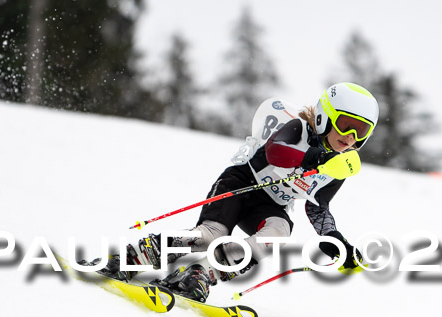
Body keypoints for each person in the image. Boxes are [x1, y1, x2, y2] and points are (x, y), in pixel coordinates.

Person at [99, 82, 379, 302]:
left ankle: (201, 274)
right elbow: (276, 152)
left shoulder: (340, 166)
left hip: (270, 204)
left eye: (362, 131)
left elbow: (318, 206)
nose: (351, 138)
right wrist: (316, 159)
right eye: (346, 125)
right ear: (325, 116)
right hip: (242, 182)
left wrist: (336, 241)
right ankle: (135, 256)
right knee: (211, 236)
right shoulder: (300, 128)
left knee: (278, 233)